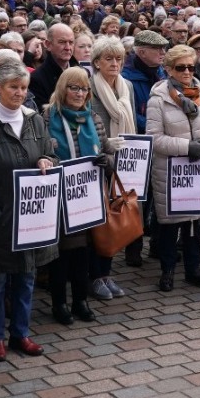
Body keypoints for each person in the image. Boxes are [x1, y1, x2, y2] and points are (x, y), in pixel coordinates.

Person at [0, 59, 57, 361]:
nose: (19, 93)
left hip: (30, 218)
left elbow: (48, 153)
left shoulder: (34, 120)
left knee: (26, 278)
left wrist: (46, 160)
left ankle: (21, 332)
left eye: (23, 88)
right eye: (13, 87)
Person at [147, 44, 200, 292]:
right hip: (170, 170)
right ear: (168, 69)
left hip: (197, 167)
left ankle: (194, 270)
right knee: (170, 225)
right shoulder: (158, 99)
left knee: (195, 223)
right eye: (181, 67)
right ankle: (167, 271)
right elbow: (155, 139)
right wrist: (186, 146)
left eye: (191, 66)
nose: (187, 72)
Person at [45, 66, 108, 320]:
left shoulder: (95, 118)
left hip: (87, 197)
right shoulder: (47, 117)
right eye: (74, 87)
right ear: (63, 88)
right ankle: (59, 303)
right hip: (59, 196)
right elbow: (42, 152)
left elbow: (105, 151)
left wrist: (107, 160)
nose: (79, 93)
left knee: (83, 252)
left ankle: (80, 301)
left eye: (84, 89)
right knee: (61, 254)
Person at [87, 35, 134, 298]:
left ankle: (107, 273)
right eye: (108, 58)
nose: (114, 63)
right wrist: (107, 146)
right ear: (96, 62)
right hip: (99, 164)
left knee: (116, 218)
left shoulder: (125, 86)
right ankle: (94, 276)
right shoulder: (90, 88)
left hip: (123, 163)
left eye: (118, 58)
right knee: (99, 223)